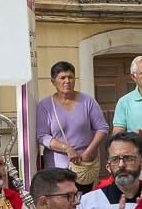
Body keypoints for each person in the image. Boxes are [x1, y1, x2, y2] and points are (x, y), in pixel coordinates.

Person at [36, 61, 109, 191]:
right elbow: (42, 136)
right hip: (57, 167)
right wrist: (67, 149)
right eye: (62, 77)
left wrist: (89, 152)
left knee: (83, 201)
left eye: (70, 77)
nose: (67, 81)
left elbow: (102, 128)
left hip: (84, 166)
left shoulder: (87, 101)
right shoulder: (45, 106)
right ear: (53, 81)